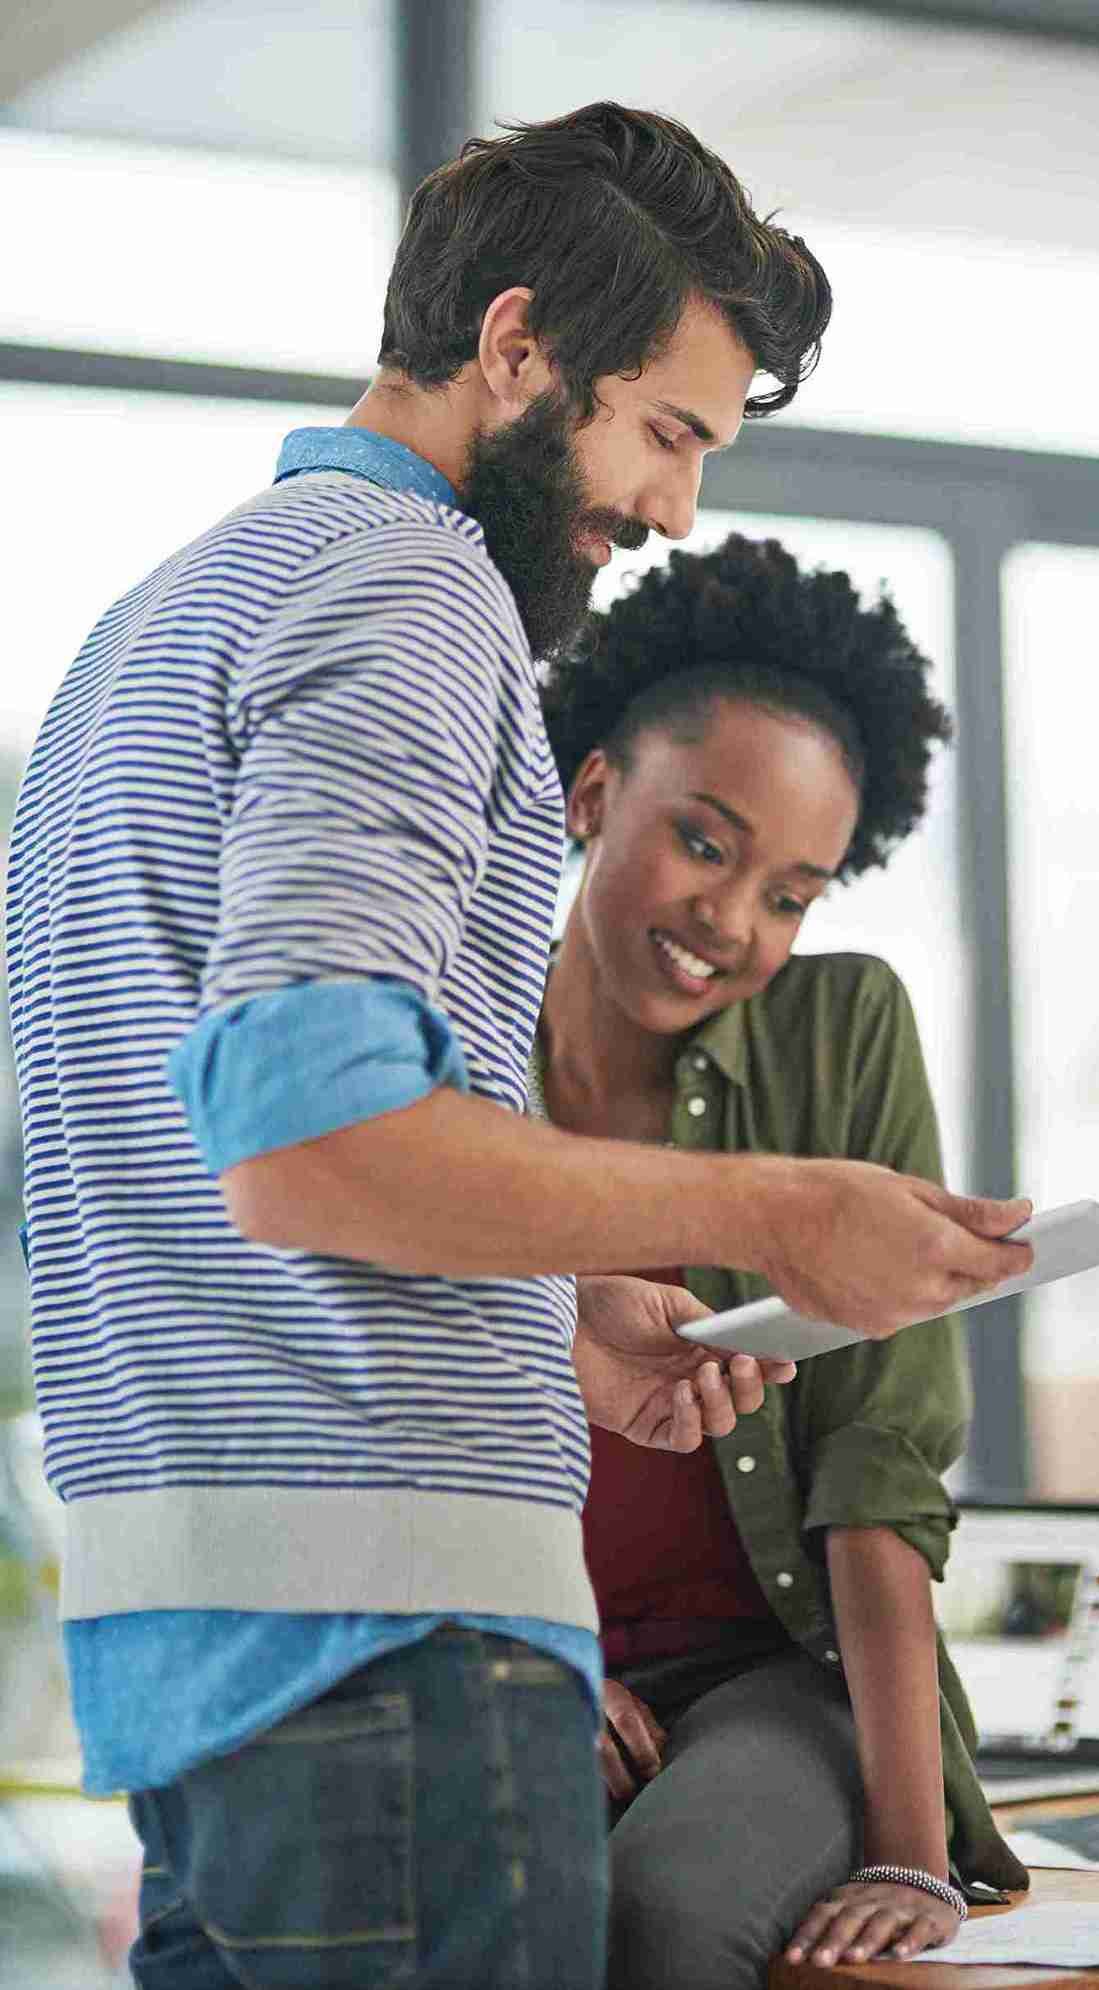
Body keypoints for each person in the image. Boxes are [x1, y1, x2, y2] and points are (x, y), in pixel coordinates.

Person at [5, 103, 1030, 1990]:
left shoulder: (144, 629)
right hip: (398, 1655)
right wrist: (778, 1213)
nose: (673, 511)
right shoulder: (412, 591)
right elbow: (308, 1137)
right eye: (669, 432)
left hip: (186, 1653)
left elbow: (202, 1169)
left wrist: (558, 1317)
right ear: (519, 344)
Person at [536, 532, 1032, 1987]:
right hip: (517, 1655)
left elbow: (879, 1458)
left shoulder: (843, 1031)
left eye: (792, 892)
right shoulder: (450, 1059)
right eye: (706, 843)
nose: (732, 923)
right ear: (592, 793)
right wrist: (523, 1652)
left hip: (774, 1670)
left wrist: (910, 1849)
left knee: (661, 1916)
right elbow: (383, 1407)